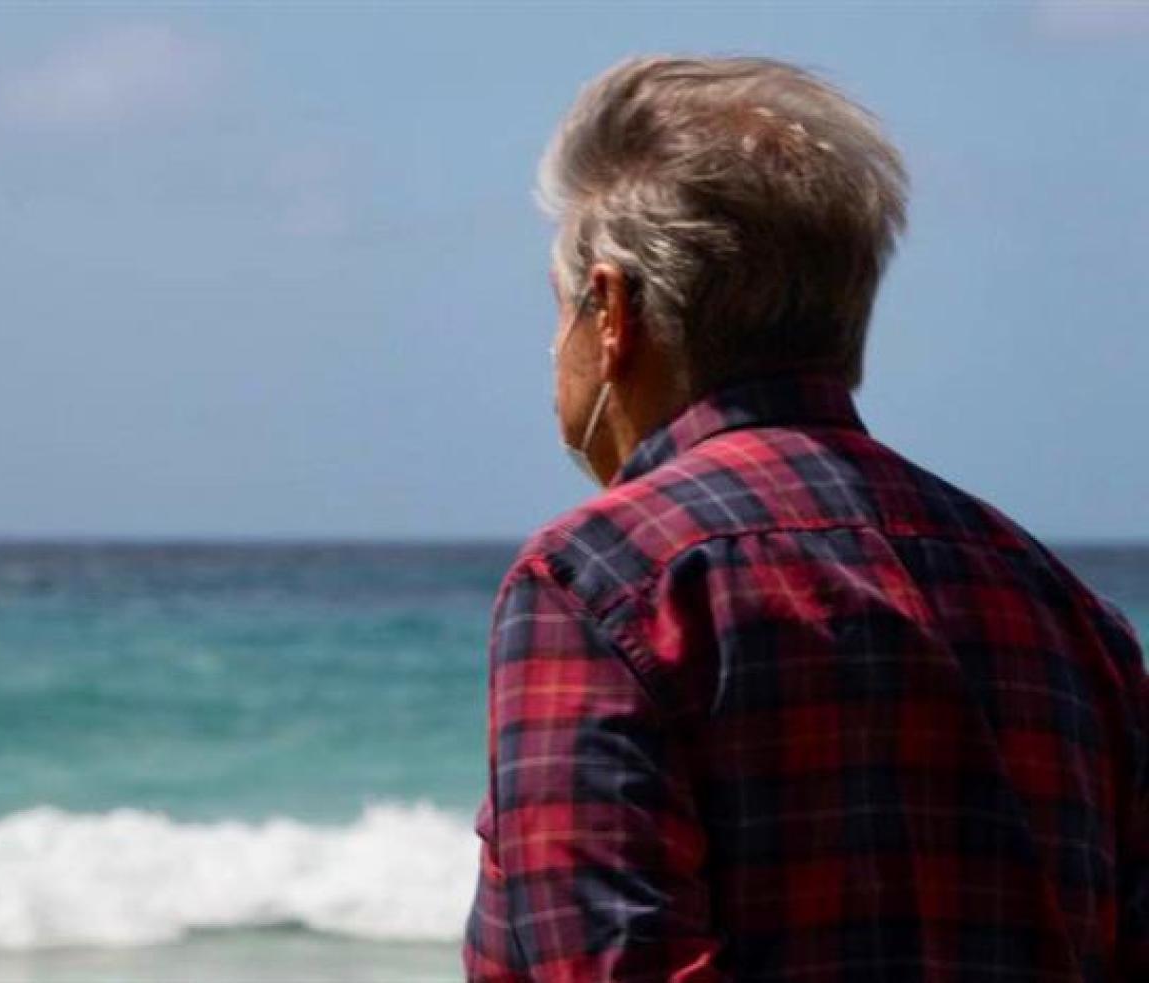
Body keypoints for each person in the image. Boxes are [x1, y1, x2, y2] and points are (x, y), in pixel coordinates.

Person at [463, 55, 1147, 982]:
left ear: (613, 309)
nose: (558, 350)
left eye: (560, 313)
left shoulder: (602, 579)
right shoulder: (1069, 612)